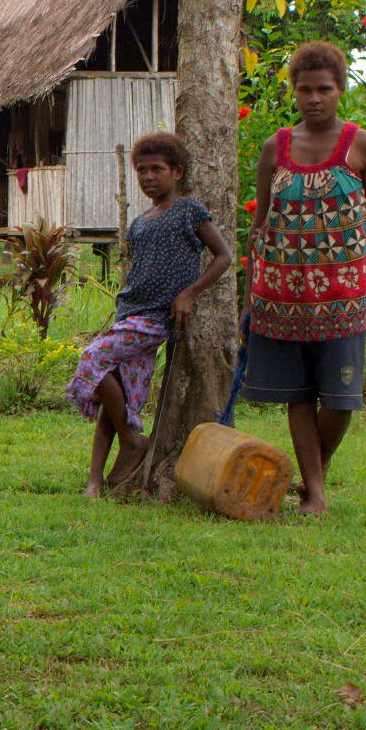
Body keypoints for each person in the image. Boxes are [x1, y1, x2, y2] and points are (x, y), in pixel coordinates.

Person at [243, 41, 366, 516]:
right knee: (299, 394)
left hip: (343, 293)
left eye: (324, 89)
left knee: (342, 398)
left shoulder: (363, 146)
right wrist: (251, 292)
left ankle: (309, 478)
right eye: (304, 89)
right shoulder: (276, 147)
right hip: (280, 294)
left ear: (340, 89)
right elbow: (261, 223)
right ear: (294, 91)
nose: (314, 99)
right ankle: (317, 495)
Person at [65, 133, 234, 497]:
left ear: (177, 172)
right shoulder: (140, 221)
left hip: (157, 318)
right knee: (117, 396)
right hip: (130, 312)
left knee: (91, 358)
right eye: (141, 170)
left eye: (157, 169)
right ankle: (96, 479)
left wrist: (189, 293)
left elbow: (223, 256)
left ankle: (131, 440)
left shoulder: (188, 210)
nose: (148, 177)